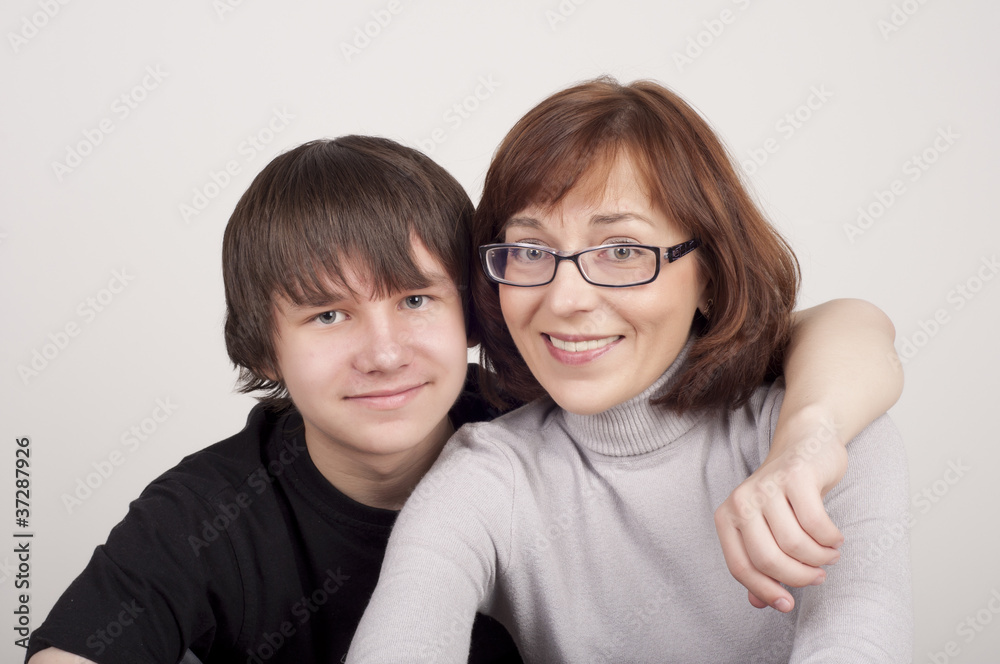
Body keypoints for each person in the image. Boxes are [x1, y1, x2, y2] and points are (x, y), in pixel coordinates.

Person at [28, 133, 900, 664]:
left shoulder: (543, 407)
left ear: (476, 309)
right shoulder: (207, 512)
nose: (383, 352)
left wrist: (811, 434)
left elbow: (837, 325)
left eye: (416, 300)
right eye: (328, 314)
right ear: (265, 345)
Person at [347, 79, 912, 663]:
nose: (565, 298)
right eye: (532, 250)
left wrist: (808, 441)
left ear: (710, 273)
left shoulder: (827, 437)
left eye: (621, 250)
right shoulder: (488, 478)